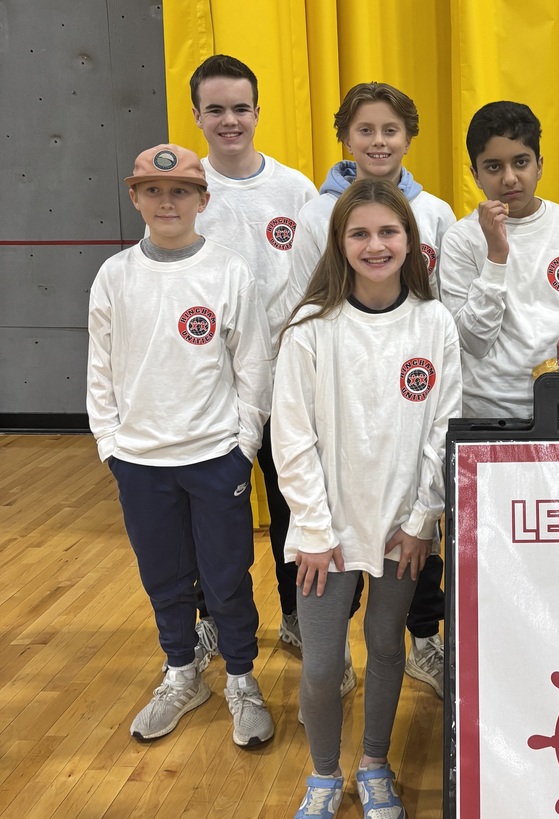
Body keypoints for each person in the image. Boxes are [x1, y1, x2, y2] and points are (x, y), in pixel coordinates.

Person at [274, 178, 461, 819]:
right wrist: (315, 529)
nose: (375, 244)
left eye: (388, 232)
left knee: (387, 650)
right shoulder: (311, 328)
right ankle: (324, 775)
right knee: (324, 664)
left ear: (411, 242)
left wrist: (421, 521)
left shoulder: (434, 323)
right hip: (325, 532)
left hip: (401, 530)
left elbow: (444, 428)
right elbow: (292, 438)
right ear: (339, 243)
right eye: (360, 233)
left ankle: (375, 763)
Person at [86, 144, 275, 746]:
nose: (167, 202)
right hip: (140, 462)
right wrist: (109, 445)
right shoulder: (115, 275)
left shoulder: (228, 270)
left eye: (180, 192)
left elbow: (253, 364)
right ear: (136, 196)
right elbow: (99, 369)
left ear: (202, 200)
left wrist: (244, 442)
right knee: (163, 576)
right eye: (153, 191)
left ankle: (242, 679)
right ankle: (182, 673)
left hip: (216, 456)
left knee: (226, 576)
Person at [289, 82, 455, 698]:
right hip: (338, 396)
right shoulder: (316, 213)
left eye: (391, 130)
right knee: (329, 564)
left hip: (407, 397)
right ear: (345, 137)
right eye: (366, 130)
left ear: (409, 138)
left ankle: (421, 643)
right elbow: (306, 294)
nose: (379, 141)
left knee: (409, 554)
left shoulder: (436, 211)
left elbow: (441, 303)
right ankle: (330, 662)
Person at [186, 54, 318, 664]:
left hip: (289, 380)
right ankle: (214, 615)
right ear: (197, 116)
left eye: (240, 108)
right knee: (216, 513)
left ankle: (296, 615)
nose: (229, 120)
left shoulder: (296, 190)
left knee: (292, 505)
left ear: (259, 113)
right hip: (212, 387)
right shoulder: (189, 194)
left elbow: (320, 283)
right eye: (216, 109)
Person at [437, 100, 559, 418]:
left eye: (520, 162)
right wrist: (496, 256)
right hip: (488, 408)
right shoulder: (461, 239)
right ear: (475, 175)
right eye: (493, 167)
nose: (510, 178)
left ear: (539, 165)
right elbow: (472, 341)